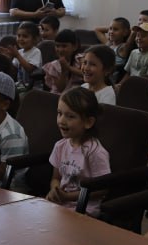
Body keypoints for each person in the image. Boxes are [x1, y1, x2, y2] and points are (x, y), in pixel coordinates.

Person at [46, 87, 111, 215]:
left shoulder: (95, 151)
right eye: (59, 113)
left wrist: (68, 197)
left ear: (88, 122)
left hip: (84, 209)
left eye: (70, 116)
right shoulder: (60, 146)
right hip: (62, 204)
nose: (61, 120)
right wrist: (55, 190)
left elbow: (103, 188)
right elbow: (56, 178)